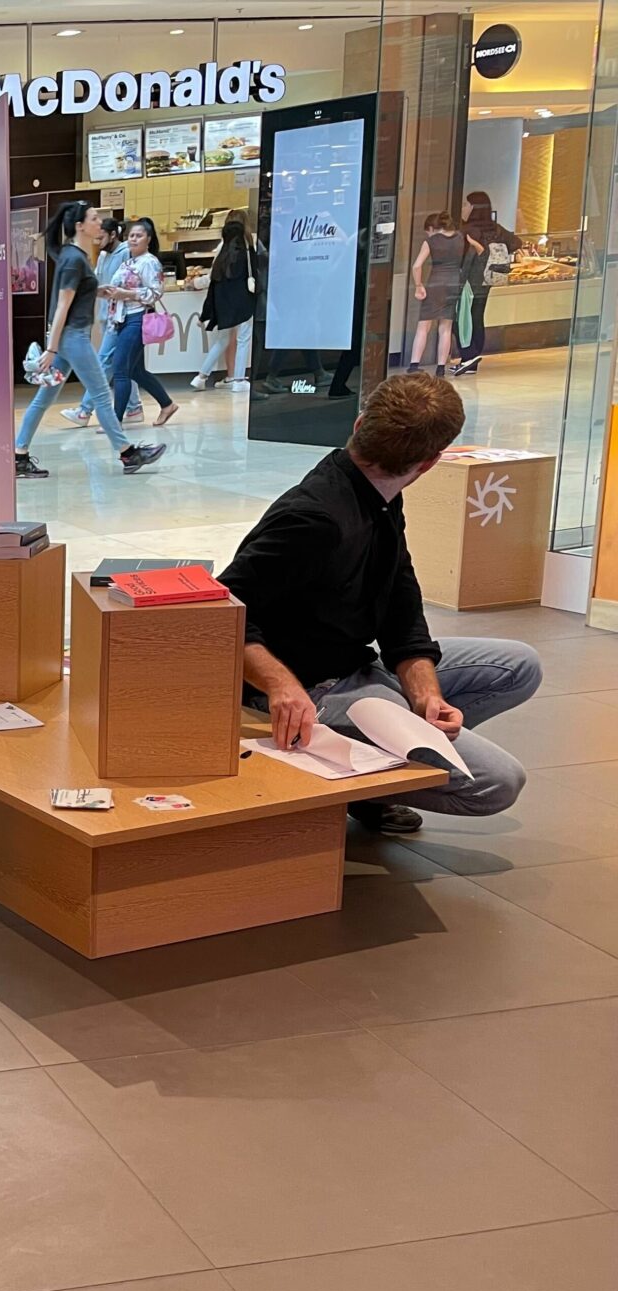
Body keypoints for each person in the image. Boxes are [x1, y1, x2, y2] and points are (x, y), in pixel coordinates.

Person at [219, 372, 538, 835]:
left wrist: (426, 695)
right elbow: (225, 607)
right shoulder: (314, 517)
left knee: (519, 665)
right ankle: (363, 781)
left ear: (360, 423)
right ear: (430, 463)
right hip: (315, 687)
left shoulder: (382, 497)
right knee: (496, 782)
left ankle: (384, 755)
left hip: (360, 664)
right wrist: (281, 686)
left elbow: (401, 607)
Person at [14, 201, 169, 480]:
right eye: (94, 218)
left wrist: (97, 291)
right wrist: (51, 347)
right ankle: (127, 453)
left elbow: (72, 298)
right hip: (72, 338)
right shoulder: (74, 258)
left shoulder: (74, 255)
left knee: (44, 397)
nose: (100, 223)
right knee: (99, 393)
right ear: (80, 226)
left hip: (67, 338)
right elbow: (63, 304)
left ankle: (19, 455)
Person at [99, 217, 179, 429]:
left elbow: (155, 293)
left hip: (137, 319)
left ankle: (115, 421)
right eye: (131, 236)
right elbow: (117, 288)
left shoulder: (149, 262)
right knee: (135, 371)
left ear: (148, 239)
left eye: (139, 235)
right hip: (122, 319)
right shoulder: (128, 262)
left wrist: (126, 293)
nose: (134, 239)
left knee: (120, 369)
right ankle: (167, 404)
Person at [61, 215, 127, 428]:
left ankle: (84, 411)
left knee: (103, 362)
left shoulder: (124, 254)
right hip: (107, 315)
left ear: (114, 235)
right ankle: (136, 407)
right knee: (127, 367)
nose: (98, 241)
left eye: (102, 236)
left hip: (121, 317)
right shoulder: (102, 256)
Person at [451, 191, 521, 377]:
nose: (463, 208)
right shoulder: (496, 229)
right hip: (488, 278)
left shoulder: (469, 230)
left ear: (473, 207)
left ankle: (469, 357)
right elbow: (516, 243)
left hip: (469, 280)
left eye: (466, 205)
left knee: (462, 318)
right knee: (477, 316)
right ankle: (473, 359)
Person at [189, 219, 256, 391]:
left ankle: (201, 376)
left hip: (224, 304)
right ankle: (239, 380)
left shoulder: (221, 257)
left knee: (222, 340)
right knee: (243, 339)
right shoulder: (246, 253)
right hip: (243, 303)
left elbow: (212, 281)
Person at [409, 211, 474, 378]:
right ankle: (440, 368)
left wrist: (418, 286)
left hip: (435, 283)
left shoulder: (431, 241)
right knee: (446, 327)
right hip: (454, 283)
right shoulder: (461, 238)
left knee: (424, 325)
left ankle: (414, 364)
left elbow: (417, 266)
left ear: (432, 228)